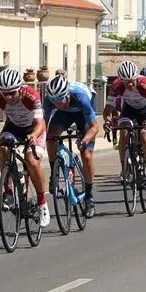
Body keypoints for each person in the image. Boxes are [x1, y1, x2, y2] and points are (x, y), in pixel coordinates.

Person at [0, 67, 51, 227]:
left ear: (20, 88)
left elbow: (40, 124)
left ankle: (42, 202)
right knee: (4, 146)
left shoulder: (31, 94)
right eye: (5, 93)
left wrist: (34, 135)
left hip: (34, 128)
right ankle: (8, 191)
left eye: (12, 93)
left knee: (32, 161)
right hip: (13, 127)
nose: (9, 97)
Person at [43, 74, 99, 215]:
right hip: (65, 114)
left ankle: (89, 196)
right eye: (54, 101)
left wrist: (85, 140)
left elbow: (95, 127)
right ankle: (54, 173)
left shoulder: (81, 98)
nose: (57, 104)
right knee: (50, 136)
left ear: (67, 94)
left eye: (59, 99)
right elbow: (43, 125)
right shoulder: (49, 100)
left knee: (86, 155)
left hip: (83, 114)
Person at [104, 60, 146, 196]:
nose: (129, 85)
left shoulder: (144, 83)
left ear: (136, 77)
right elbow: (107, 110)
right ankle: (125, 169)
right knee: (123, 132)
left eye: (131, 81)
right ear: (121, 80)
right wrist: (107, 121)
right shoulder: (116, 86)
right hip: (129, 110)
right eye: (126, 82)